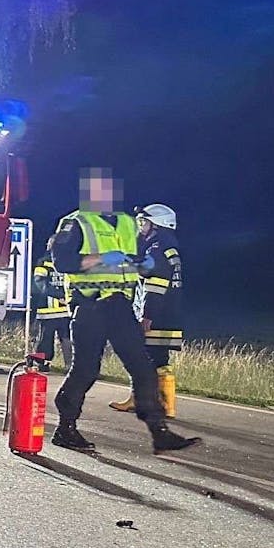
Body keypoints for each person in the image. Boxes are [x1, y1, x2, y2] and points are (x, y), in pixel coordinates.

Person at [49, 169, 198, 453]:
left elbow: (140, 259)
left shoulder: (128, 224)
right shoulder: (76, 222)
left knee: (143, 368)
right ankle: (65, 428)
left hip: (120, 305)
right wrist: (103, 259)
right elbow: (63, 261)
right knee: (86, 370)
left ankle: (159, 432)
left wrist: (142, 265)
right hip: (89, 303)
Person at [109, 204, 182, 416]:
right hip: (168, 314)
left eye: (144, 222)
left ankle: (141, 400)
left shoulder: (157, 249)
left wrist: (147, 316)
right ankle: (165, 405)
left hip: (155, 314)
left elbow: (155, 286)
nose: (141, 226)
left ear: (157, 225)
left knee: (142, 357)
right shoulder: (167, 246)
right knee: (159, 359)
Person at [31, 239, 72, 373]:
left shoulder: (66, 261)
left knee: (65, 338)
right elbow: (39, 282)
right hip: (50, 309)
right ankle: (41, 362)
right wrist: (60, 295)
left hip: (60, 309)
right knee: (46, 339)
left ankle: (70, 366)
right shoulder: (44, 262)